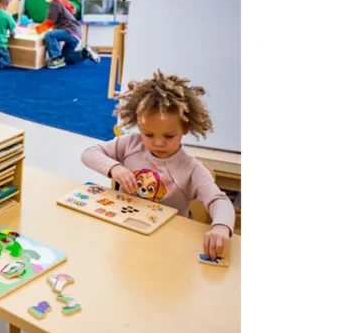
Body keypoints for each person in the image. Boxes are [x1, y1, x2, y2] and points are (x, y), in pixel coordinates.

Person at [81, 70, 233, 260]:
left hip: (167, 245)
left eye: (169, 136)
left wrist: (221, 226)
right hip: (125, 235)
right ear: (138, 124)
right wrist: (115, 168)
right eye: (149, 134)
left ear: (184, 129)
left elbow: (219, 200)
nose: (158, 143)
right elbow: (89, 153)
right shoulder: (130, 144)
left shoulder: (191, 169)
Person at [38, 0, 99, 69]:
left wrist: (36, 30)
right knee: (66, 57)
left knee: (49, 35)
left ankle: (56, 59)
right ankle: (85, 54)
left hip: (70, 31)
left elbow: (49, 23)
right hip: (76, 33)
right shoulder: (61, 0)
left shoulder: (54, 4)